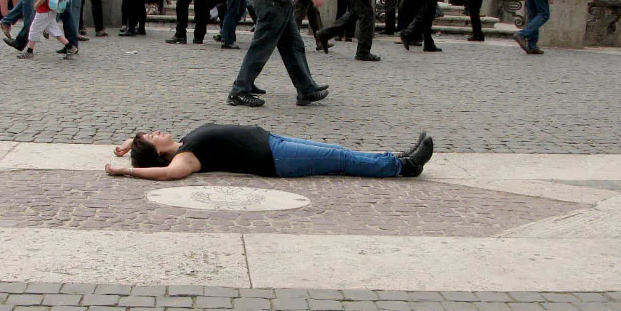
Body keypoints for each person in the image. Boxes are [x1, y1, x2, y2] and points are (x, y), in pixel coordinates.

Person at [106, 126, 435, 181]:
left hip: (273, 144)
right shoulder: (183, 159)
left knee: (339, 153)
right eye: (152, 137)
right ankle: (404, 166)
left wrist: (127, 144)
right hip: (277, 159)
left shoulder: (180, 145)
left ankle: (395, 159)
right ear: (159, 153)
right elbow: (166, 174)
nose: (157, 132)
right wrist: (128, 170)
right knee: (340, 160)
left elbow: (148, 149)